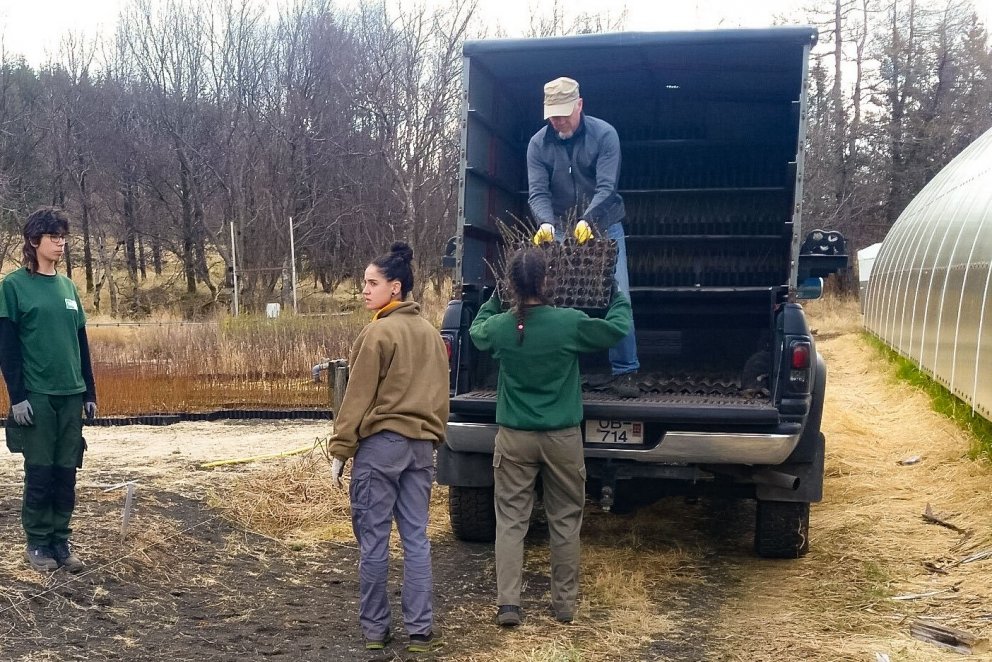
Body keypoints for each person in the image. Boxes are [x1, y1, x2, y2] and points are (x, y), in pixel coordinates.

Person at [469, 247, 632, 627]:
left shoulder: (503, 327)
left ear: (512, 284)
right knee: (565, 521)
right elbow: (616, 328)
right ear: (547, 281)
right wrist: (617, 294)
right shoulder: (568, 323)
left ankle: (509, 604)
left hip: (514, 438)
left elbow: (477, 331)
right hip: (561, 438)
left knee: (511, 522)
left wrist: (494, 300)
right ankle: (564, 606)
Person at [326, 241, 449, 654]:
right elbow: (441, 397)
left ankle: (376, 631)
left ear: (395, 287)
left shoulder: (377, 332)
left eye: (372, 283)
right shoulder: (432, 334)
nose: (364, 290)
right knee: (416, 538)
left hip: (381, 449)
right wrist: (434, 437)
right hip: (422, 449)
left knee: (374, 540)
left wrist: (341, 449)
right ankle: (420, 633)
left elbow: (356, 397)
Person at [527, 76, 640, 397]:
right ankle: (559, 369)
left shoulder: (604, 135)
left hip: (605, 225)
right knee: (555, 297)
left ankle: (626, 370)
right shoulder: (538, 144)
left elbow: (607, 187)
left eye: (563, 113)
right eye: (552, 115)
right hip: (560, 228)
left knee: (618, 295)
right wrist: (545, 223)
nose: (558, 121)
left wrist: (588, 220)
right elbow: (538, 192)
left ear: (579, 105)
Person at [0, 207, 97, 574]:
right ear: (33, 240)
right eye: (53, 237)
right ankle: (38, 541)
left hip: (70, 394)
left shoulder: (68, 287)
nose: (60, 243)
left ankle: (60, 539)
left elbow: (81, 343)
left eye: (63, 237)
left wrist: (89, 393)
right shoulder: (13, 287)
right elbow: (7, 347)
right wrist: (18, 397)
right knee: (40, 472)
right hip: (37, 395)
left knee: (66, 472)